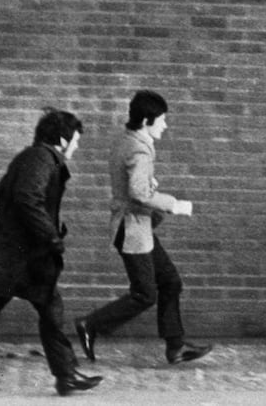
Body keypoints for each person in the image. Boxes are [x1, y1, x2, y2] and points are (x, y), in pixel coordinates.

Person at [0, 109, 102, 396]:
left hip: (25, 255)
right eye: (75, 140)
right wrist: (50, 236)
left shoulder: (33, 157)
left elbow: (2, 194)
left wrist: (18, 226)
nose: (76, 146)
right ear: (62, 140)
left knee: (48, 308)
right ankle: (66, 375)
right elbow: (26, 196)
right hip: (21, 256)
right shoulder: (40, 158)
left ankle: (66, 376)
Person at [74, 90, 213, 365]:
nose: (165, 125)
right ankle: (90, 325)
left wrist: (150, 186)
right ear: (148, 120)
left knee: (170, 281)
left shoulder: (127, 141)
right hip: (132, 230)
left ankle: (175, 346)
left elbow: (132, 187)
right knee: (145, 293)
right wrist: (174, 204)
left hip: (139, 227)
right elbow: (138, 193)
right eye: (162, 120)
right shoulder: (139, 148)